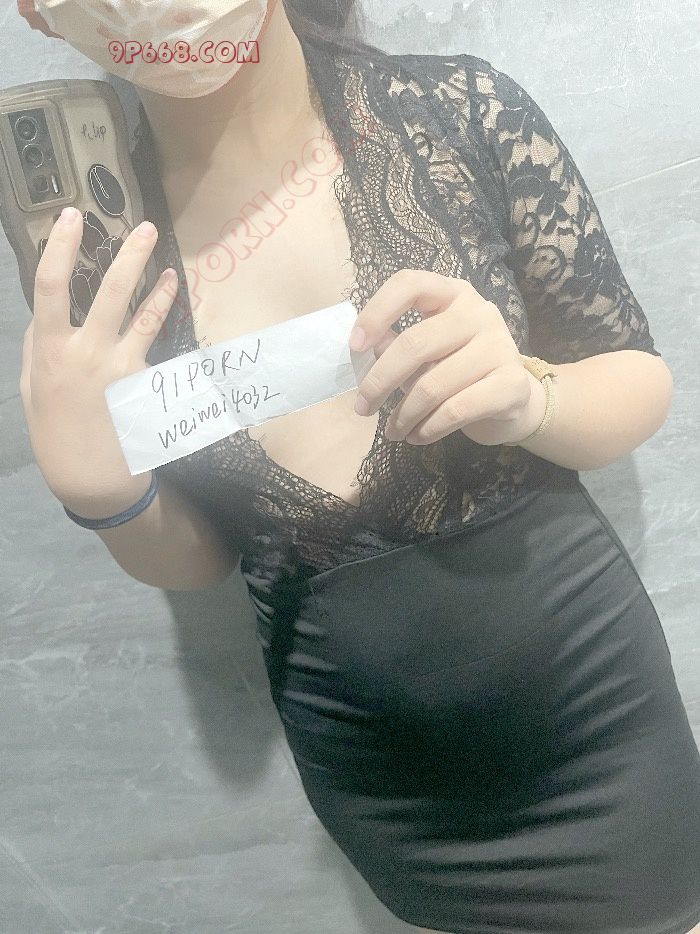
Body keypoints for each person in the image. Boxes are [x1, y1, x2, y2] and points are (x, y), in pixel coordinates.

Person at [16, 2, 700, 932]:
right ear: (38, 12)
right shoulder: (94, 252)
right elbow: (204, 558)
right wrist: (103, 495)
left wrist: (527, 395)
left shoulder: (458, 112)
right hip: (387, 796)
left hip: (599, 735)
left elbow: (638, 381)